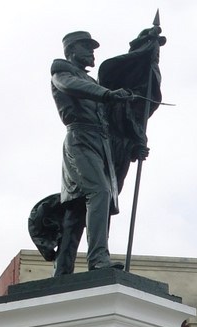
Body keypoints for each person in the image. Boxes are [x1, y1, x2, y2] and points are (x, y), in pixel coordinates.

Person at [50, 31, 136, 275]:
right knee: (99, 191)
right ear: (72, 50)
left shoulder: (95, 85)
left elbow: (116, 124)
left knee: (77, 210)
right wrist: (108, 94)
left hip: (101, 142)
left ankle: (62, 270)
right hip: (80, 140)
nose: (91, 53)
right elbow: (73, 86)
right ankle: (98, 259)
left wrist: (134, 143)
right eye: (86, 48)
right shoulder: (62, 73)